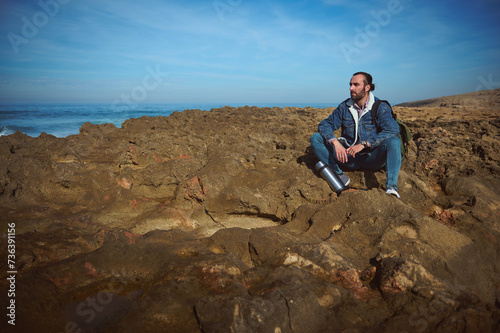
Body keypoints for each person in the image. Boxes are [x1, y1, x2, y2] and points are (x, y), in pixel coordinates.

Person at [310, 72, 402, 198]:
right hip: (348, 158)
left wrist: (365, 144)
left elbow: (393, 130)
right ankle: (339, 174)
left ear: (367, 87)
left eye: (356, 85)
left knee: (394, 142)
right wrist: (335, 142)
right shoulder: (344, 107)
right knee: (316, 138)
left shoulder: (380, 107)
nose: (351, 88)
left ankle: (391, 188)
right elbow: (325, 124)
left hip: (372, 158)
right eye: (350, 84)